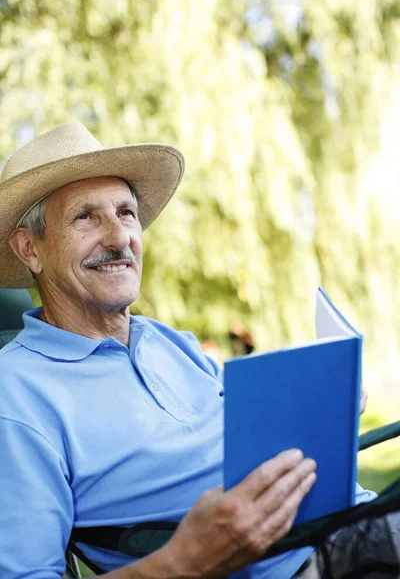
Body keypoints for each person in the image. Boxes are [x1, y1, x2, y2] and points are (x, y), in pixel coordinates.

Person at [0, 122, 396, 579]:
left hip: (357, 520)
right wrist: (185, 560)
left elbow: (243, 423)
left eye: (126, 213)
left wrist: (322, 401)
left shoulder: (167, 340)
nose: (118, 237)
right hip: (308, 564)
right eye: (86, 217)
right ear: (30, 248)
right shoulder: (18, 394)